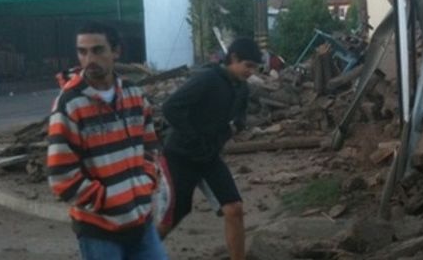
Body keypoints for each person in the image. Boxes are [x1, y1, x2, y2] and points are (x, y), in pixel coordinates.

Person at [46, 21, 168, 260]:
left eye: (97, 50)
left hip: (141, 221)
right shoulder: (70, 104)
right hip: (99, 230)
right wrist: (107, 200)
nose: (89, 58)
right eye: (82, 51)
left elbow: (150, 147)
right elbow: (61, 176)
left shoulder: (134, 95)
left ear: (116, 52)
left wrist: (144, 184)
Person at [159, 37, 262, 260]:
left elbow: (240, 117)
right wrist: (194, 137)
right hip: (180, 156)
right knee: (174, 215)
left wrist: (234, 128)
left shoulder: (241, 88)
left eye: (254, 67)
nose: (251, 72)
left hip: (209, 157)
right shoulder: (207, 79)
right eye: (248, 65)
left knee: (234, 209)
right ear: (233, 58)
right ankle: (138, 252)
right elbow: (170, 108)